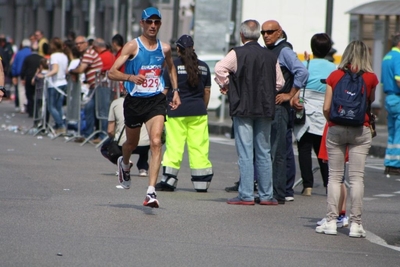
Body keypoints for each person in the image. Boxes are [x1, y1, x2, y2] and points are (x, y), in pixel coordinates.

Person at [108, 7, 180, 208]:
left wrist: (175, 90)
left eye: (156, 22)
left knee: (156, 142)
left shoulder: (164, 48)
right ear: (142, 23)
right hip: (134, 101)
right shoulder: (133, 46)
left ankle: (151, 192)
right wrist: (130, 77)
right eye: (149, 22)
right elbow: (111, 73)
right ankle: (124, 163)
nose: (153, 26)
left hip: (155, 100)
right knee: (131, 143)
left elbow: (171, 67)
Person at [215, 19, 284, 205]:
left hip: (243, 106)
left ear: (242, 35)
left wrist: (228, 85)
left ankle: (246, 194)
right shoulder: (270, 56)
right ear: (258, 34)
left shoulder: (237, 53)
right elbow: (280, 83)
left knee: (245, 152)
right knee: (264, 151)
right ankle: (266, 195)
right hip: (265, 107)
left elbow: (219, 68)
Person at [316, 40, 378, 237]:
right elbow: (371, 101)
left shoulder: (334, 76)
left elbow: (326, 107)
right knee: (357, 178)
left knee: (334, 176)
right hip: (361, 129)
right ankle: (355, 224)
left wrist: (333, 122)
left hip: (336, 128)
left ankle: (332, 221)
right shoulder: (370, 78)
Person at [155, 34, 213, 192]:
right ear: (193, 48)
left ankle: (168, 181)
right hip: (198, 112)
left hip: (176, 111)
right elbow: (206, 91)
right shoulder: (204, 67)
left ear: (178, 49)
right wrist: (203, 107)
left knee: (174, 146)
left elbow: (165, 90)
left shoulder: (171, 67)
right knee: (199, 147)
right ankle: (201, 183)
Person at [262, 20, 309, 203]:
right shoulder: (270, 49)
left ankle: (280, 192)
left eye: (270, 32)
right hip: (268, 106)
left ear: (279, 32)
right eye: (263, 32)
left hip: (280, 107)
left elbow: (302, 72)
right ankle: (274, 189)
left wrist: (290, 94)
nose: (266, 35)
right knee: (271, 150)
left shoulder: (284, 50)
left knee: (279, 150)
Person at [292, 33, 336, 196]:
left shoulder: (305, 64)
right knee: (322, 149)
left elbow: (297, 85)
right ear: (329, 49)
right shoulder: (334, 68)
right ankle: (328, 184)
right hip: (325, 108)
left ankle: (308, 186)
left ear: (312, 48)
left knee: (304, 148)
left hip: (306, 108)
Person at [106, 91, 150, 176]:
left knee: (108, 147)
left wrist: (114, 139)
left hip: (123, 143)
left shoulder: (116, 103)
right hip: (145, 144)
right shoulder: (147, 101)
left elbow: (110, 130)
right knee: (144, 143)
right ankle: (143, 167)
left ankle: (124, 163)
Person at [69, 35, 103, 142]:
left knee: (99, 111)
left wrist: (71, 72)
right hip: (94, 86)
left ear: (86, 43)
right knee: (90, 109)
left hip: (100, 86)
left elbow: (80, 69)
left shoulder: (88, 54)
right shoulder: (84, 55)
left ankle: (101, 135)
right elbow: (79, 67)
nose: (78, 46)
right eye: (77, 44)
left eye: (80, 43)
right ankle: (90, 134)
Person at [382, 33, 400, 175]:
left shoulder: (386, 57)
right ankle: (395, 164)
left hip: (389, 98)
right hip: (398, 97)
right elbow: (399, 79)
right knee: (399, 133)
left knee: (392, 132)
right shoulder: (398, 57)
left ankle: (389, 162)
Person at [45, 37, 69, 134]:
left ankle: (61, 125)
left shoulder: (54, 56)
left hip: (55, 84)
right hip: (63, 82)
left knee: (51, 107)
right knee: (59, 106)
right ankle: (60, 126)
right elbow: (65, 70)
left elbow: (55, 70)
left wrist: (44, 75)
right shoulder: (64, 56)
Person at [11, 38, 31, 114]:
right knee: (29, 91)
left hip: (20, 74)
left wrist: (14, 75)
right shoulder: (31, 52)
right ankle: (28, 106)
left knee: (21, 91)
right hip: (29, 74)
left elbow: (15, 64)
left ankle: (22, 107)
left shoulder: (19, 53)